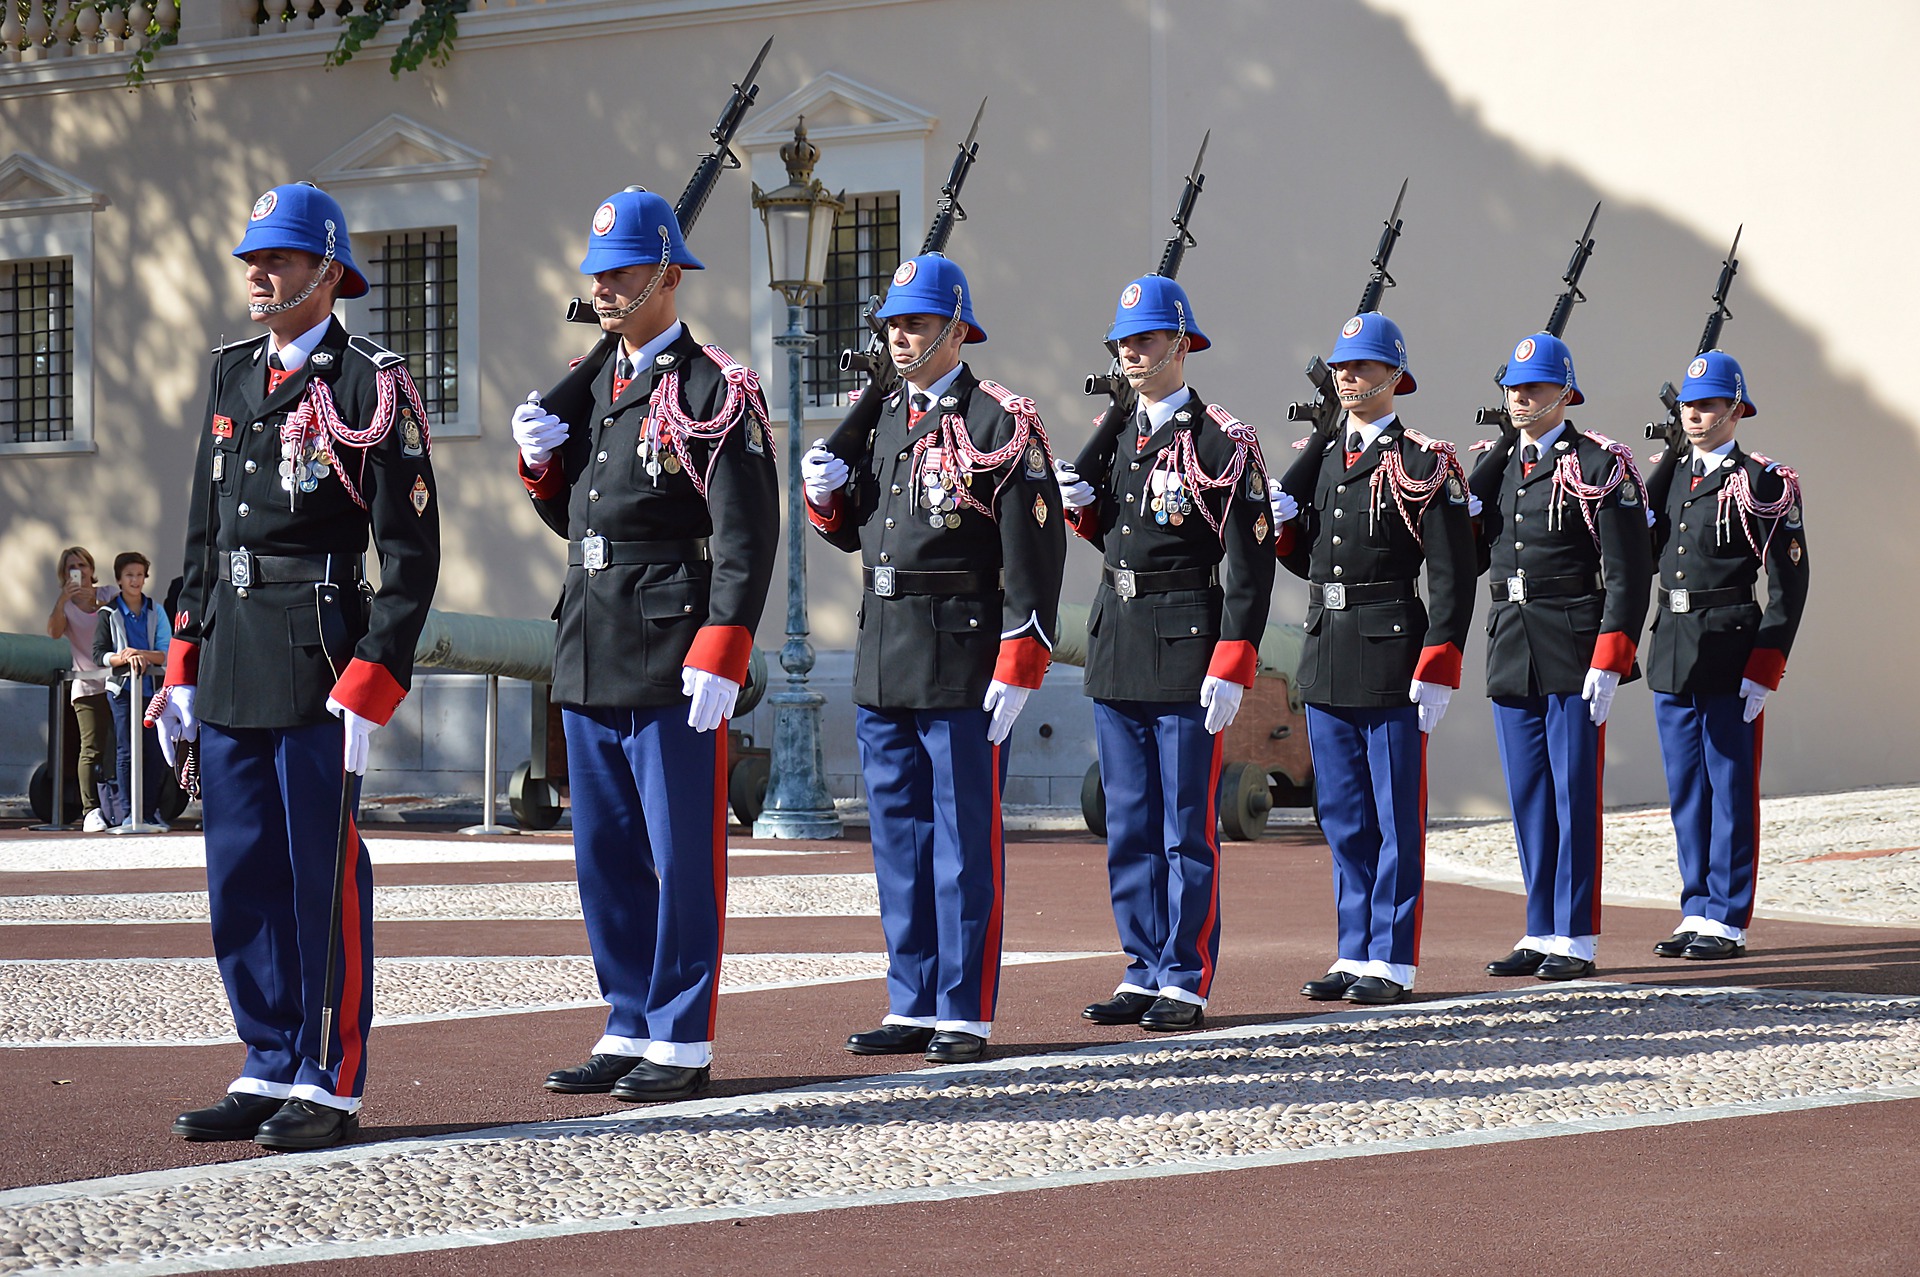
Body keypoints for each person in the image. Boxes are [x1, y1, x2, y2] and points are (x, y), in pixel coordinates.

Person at [153, 182, 441, 1150]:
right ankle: (266, 1054)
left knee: (321, 870)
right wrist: (181, 658)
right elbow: (203, 527)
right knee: (239, 869)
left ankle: (331, 1073)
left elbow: (411, 554)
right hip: (232, 641)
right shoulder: (233, 373)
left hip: (317, 649)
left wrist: (376, 673)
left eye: (276, 259)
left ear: (328, 270)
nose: (257, 274)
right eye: (251, 258)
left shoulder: (371, 381)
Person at [513, 188, 778, 1103]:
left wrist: (726, 641)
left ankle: (682, 1033)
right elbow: (583, 516)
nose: (606, 289)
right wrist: (543, 464)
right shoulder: (599, 384)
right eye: (598, 276)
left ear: (668, 274)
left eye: (622, 272)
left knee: (681, 850)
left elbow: (747, 533)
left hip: (673, 647)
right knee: (609, 851)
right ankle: (627, 1014)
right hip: (591, 636)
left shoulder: (716, 387)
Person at [803, 252, 1065, 1064]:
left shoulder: (999, 421)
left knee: (960, 840)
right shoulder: (880, 415)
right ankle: (911, 996)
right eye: (893, 323)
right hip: (886, 644)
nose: (901, 336)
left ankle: (964, 1007)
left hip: (961, 653)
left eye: (916, 322)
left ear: (957, 328)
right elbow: (859, 529)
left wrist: (1021, 661)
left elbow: (1034, 557)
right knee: (898, 839)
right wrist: (823, 493)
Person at [1054, 276, 1274, 1031]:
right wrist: (1082, 509)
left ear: (1182, 344)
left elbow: (1249, 562)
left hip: (1186, 641)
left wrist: (1234, 655)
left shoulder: (1222, 440)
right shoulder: (1116, 432)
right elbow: (1115, 530)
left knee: (1186, 821)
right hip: (1118, 632)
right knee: (1130, 821)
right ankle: (1142, 963)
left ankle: (1185, 972)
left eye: (1146, 339)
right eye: (1124, 341)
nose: (1132, 352)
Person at [1269, 312, 1475, 1005]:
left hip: (1392, 654)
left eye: (1362, 367)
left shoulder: (1424, 463)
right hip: (1329, 649)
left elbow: (1451, 573)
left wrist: (1440, 659)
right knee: (1344, 815)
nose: (1349, 377)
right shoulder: (1323, 456)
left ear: (1394, 375)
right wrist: (1285, 530)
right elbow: (1310, 560)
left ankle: (1393, 957)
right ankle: (1354, 946)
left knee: (1394, 816)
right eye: (1342, 367)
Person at [1467, 334, 1651, 981]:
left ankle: (1575, 934)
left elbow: (1629, 573)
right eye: (1514, 387)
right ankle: (1540, 925)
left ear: (1565, 394)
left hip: (1575, 645)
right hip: (1513, 641)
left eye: (1535, 387)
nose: (1521, 397)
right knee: (1529, 797)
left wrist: (1611, 655)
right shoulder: (1502, 466)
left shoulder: (1600, 465)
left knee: (1573, 793)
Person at [1643, 350, 1808, 960]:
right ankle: (1696, 906)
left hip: (1730, 649)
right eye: (1689, 404)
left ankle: (1728, 914)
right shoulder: (1668, 477)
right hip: (1673, 647)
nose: (1695, 414)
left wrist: (1767, 664)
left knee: (1729, 783)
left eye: (1709, 404)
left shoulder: (1764, 481)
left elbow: (1790, 583)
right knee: (1687, 787)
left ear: (1737, 410)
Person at [94, 551, 173, 830]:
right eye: (129, 575)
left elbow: (166, 653)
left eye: (140, 575)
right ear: (119, 579)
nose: (135, 580)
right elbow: (100, 655)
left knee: (154, 752)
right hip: (122, 691)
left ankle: (149, 813)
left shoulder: (156, 610)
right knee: (126, 751)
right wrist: (124, 659)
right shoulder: (108, 613)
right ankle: (128, 813)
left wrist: (139, 653)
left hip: (153, 691)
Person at [46, 546, 116, 830]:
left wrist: (97, 604)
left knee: (123, 747)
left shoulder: (110, 594)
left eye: (83, 564)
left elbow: (127, 617)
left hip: (117, 683)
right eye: (72, 566)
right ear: (65, 573)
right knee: (91, 748)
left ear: (91, 568)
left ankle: (124, 803)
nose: (80, 570)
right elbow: (53, 632)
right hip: (86, 686)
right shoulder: (65, 605)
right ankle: (91, 810)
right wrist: (65, 597)